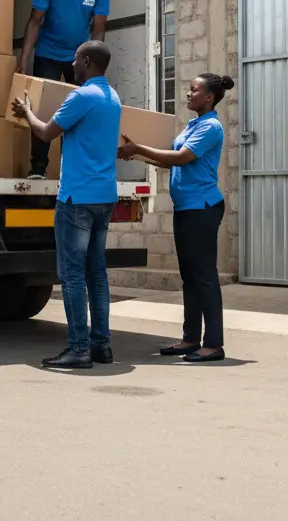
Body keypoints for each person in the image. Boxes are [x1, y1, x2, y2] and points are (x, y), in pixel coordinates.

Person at [12, 40, 121, 370]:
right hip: (104, 196)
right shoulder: (113, 98)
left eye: (75, 60)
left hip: (77, 198)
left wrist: (26, 111)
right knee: (96, 274)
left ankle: (78, 349)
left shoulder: (81, 96)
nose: (72, 65)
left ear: (87, 61)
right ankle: (101, 345)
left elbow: (45, 133)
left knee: (72, 275)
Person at [118, 72, 233, 363]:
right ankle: (191, 338)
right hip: (186, 208)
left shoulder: (211, 127)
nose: (188, 94)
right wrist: (137, 155)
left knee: (204, 276)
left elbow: (181, 157)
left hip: (202, 208)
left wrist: (139, 148)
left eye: (193, 90)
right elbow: (168, 159)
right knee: (189, 277)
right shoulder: (194, 125)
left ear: (208, 97)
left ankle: (214, 344)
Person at [18, 0, 110, 179]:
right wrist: (24, 60)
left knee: (81, 111)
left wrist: (94, 65)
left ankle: (74, 167)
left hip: (80, 59)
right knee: (42, 109)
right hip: (47, 53)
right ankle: (38, 167)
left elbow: (98, 30)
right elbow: (35, 22)